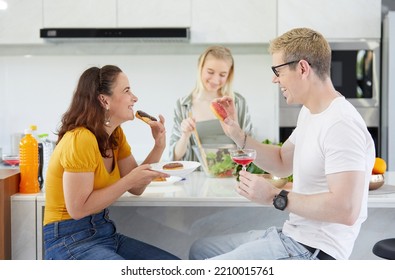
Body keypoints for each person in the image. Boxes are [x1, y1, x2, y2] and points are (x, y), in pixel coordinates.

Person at [189, 28, 375, 260]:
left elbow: (346, 209)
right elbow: (281, 162)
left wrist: (275, 197)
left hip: (313, 252)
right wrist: (237, 133)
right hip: (291, 237)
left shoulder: (341, 123)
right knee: (200, 249)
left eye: (278, 71)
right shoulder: (310, 113)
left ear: (303, 68)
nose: (274, 79)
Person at [43, 65, 179, 260]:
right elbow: (78, 209)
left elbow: (137, 187)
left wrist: (158, 146)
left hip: (103, 233)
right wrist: (128, 180)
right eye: (126, 91)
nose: (135, 97)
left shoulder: (115, 135)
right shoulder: (80, 139)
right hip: (68, 240)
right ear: (104, 100)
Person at [169, 45, 253, 162]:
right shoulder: (183, 105)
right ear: (200, 67)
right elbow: (175, 157)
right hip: (197, 178)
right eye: (210, 72)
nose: (215, 80)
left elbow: (250, 148)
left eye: (222, 75)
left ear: (229, 75)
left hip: (232, 176)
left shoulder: (238, 102)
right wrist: (185, 135)